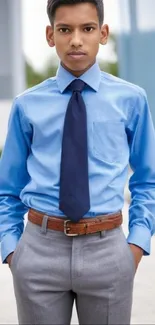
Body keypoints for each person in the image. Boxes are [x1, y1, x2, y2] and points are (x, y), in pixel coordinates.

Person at [0, 0, 155, 324]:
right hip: (39, 251)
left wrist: (136, 245)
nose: (75, 40)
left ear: (103, 33)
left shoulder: (132, 99)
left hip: (108, 251)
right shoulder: (27, 105)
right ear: (49, 35)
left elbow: (147, 179)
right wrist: (13, 251)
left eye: (87, 29)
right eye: (64, 29)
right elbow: (7, 188)